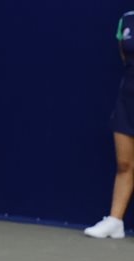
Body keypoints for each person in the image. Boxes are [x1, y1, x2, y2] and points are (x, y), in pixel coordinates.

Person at [84, 10, 134, 239]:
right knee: (124, 163)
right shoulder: (127, 19)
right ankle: (115, 221)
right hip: (128, 99)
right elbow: (125, 57)